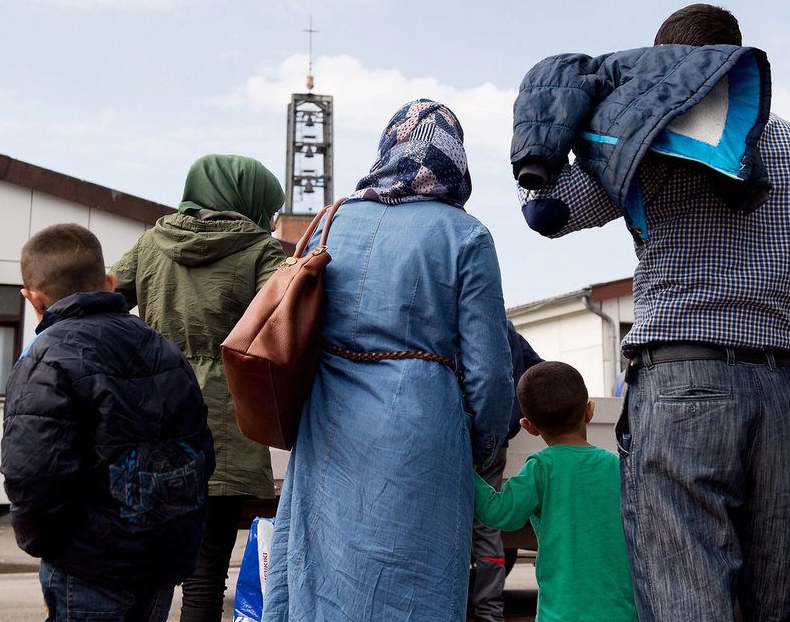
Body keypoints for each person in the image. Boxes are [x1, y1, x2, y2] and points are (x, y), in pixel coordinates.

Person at [512, 4, 790, 620]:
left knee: (685, 600)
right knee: (786, 605)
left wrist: (541, 139)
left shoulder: (647, 140)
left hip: (681, 385)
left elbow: (548, 214)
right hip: (785, 397)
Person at [261, 99, 513, 621]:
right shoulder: (466, 235)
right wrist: (480, 450)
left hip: (327, 426)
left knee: (320, 581)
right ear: (453, 159)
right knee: (412, 587)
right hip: (422, 434)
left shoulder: (333, 220)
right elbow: (490, 373)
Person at [1, 223, 215, 622]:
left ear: (32, 299)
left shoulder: (44, 359)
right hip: (163, 559)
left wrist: (44, 543)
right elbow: (200, 451)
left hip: (88, 567)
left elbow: (32, 474)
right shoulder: (161, 346)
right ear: (110, 282)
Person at [113, 154, 287, 622]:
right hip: (225, 428)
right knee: (205, 572)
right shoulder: (262, 252)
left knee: (146, 566)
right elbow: (285, 326)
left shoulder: (151, 243)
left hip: (151, 420)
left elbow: (102, 297)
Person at [473, 361, 637, 622]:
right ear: (589, 411)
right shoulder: (616, 466)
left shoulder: (542, 468)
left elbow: (500, 513)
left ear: (529, 426)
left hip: (561, 613)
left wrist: (467, 473)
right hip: (621, 612)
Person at [470, 321, 543, 622]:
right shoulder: (509, 328)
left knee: (448, 524)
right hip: (498, 437)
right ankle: (490, 612)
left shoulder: (467, 323)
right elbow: (540, 371)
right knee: (487, 532)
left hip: (464, 433)